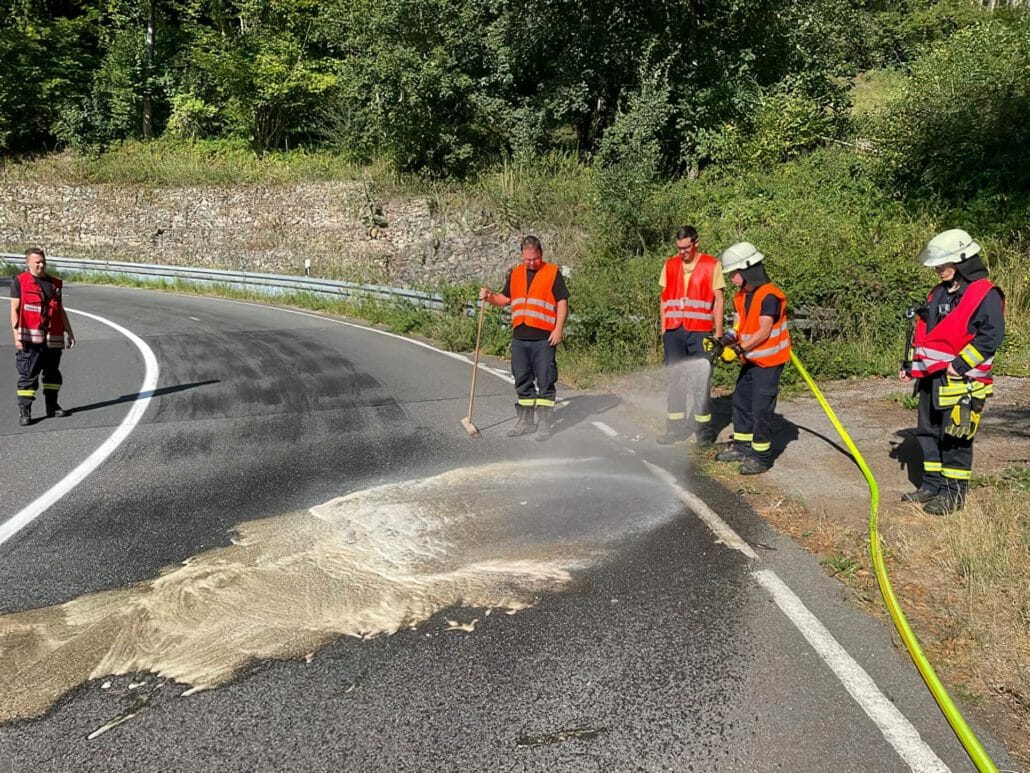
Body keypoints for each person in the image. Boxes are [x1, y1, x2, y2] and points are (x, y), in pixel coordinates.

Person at [900, 229, 1005, 515]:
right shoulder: (938, 293)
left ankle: (952, 495)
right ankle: (931, 485)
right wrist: (911, 365)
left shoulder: (985, 294)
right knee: (927, 433)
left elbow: (991, 337)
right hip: (931, 378)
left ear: (962, 260)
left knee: (956, 438)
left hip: (963, 381)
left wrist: (960, 365)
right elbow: (927, 334)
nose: (938, 269)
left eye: (943, 264)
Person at [479, 235, 569, 441]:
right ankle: (526, 422)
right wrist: (490, 297)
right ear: (522, 255)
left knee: (545, 379)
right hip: (520, 338)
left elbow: (562, 302)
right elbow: (505, 299)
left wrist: (558, 329)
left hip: (544, 339)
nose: (531, 263)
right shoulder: (516, 274)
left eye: (535, 258)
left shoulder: (552, 273)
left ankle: (544, 424)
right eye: (527, 259)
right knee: (522, 379)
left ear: (541, 254)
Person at [713, 242, 791, 475]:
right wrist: (724, 340)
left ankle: (761, 456)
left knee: (761, 409)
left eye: (734, 273)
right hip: (751, 361)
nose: (731, 278)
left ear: (748, 269)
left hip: (769, 363)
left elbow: (764, 332)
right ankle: (742, 446)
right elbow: (739, 326)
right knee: (741, 402)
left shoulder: (770, 296)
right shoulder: (742, 296)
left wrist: (738, 350)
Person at [657, 225, 725, 445]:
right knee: (675, 381)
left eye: (686, 248)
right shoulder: (670, 265)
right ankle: (674, 430)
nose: (682, 252)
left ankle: (704, 432)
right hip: (674, 332)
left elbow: (719, 300)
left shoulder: (711, 265)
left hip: (700, 332)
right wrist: (664, 329)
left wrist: (718, 334)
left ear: (696, 243)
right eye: (679, 248)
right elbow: (664, 299)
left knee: (700, 381)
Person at [10, 247, 76, 426]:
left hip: (53, 338)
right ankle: (25, 410)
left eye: (43, 262)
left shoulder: (55, 283)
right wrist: (16, 336)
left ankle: (52, 406)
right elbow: (14, 309)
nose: (41, 265)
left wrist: (69, 333)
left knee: (52, 374)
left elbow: (60, 310)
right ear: (28, 262)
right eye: (37, 262)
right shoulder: (20, 281)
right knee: (28, 376)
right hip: (30, 339)